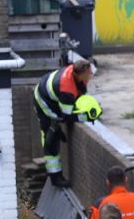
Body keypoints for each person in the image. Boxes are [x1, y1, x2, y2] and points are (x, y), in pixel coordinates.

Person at [34, 59, 101, 187]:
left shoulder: (75, 72)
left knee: (56, 128)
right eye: (89, 73)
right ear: (80, 75)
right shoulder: (67, 89)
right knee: (51, 138)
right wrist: (86, 117)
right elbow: (67, 116)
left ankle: (55, 129)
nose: (91, 75)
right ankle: (55, 177)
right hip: (44, 101)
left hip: (53, 96)